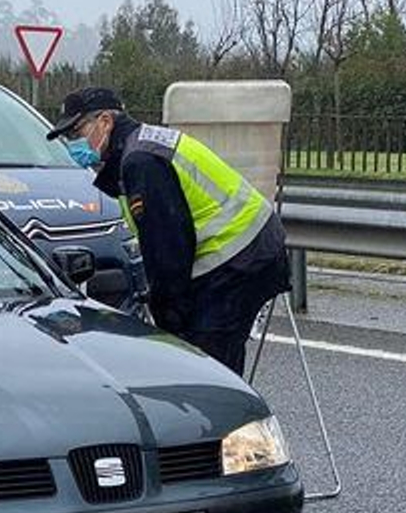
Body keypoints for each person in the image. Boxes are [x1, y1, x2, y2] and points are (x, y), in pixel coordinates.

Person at [46, 87, 288, 375]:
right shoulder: (140, 147)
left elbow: (168, 254)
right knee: (204, 357)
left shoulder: (140, 162)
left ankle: (229, 416)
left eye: (75, 133)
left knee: (208, 364)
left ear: (105, 121)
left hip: (240, 256)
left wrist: (168, 324)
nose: (71, 144)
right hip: (245, 249)